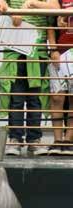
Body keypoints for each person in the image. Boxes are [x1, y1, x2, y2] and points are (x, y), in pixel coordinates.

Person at [0, 0, 59, 156]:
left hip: (37, 54)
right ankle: (15, 139)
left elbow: (55, 8)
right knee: (16, 99)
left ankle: (34, 140)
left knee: (35, 99)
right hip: (15, 52)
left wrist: (32, 4)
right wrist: (8, 9)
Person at [47, 2, 73, 155]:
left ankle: (69, 139)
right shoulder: (56, 0)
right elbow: (50, 23)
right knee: (57, 97)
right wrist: (53, 48)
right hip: (60, 52)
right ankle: (57, 140)